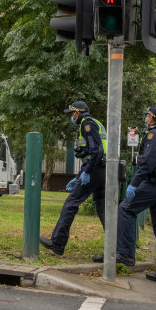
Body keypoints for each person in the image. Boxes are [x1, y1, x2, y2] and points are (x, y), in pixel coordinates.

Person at [94, 106, 156, 280]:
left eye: (147, 115)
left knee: (126, 210)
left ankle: (125, 253)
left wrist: (134, 183)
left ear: (152, 117)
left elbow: (148, 163)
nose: (146, 118)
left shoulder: (154, 134)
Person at [42, 101, 108, 256]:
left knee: (71, 203)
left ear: (78, 113)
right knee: (104, 210)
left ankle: (58, 243)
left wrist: (87, 172)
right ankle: (116, 249)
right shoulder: (94, 123)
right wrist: (79, 175)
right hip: (102, 170)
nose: (72, 117)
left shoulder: (87, 124)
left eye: (73, 113)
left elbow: (96, 151)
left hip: (95, 169)